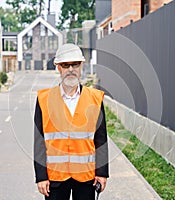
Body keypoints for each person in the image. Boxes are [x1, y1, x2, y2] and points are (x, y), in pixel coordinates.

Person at [34, 43, 109, 200]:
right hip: (55, 178)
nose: (70, 69)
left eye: (75, 64)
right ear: (58, 67)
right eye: (65, 65)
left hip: (85, 177)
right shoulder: (44, 99)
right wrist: (41, 176)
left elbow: (101, 139)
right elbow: (39, 141)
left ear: (81, 66)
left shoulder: (94, 98)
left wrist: (101, 173)